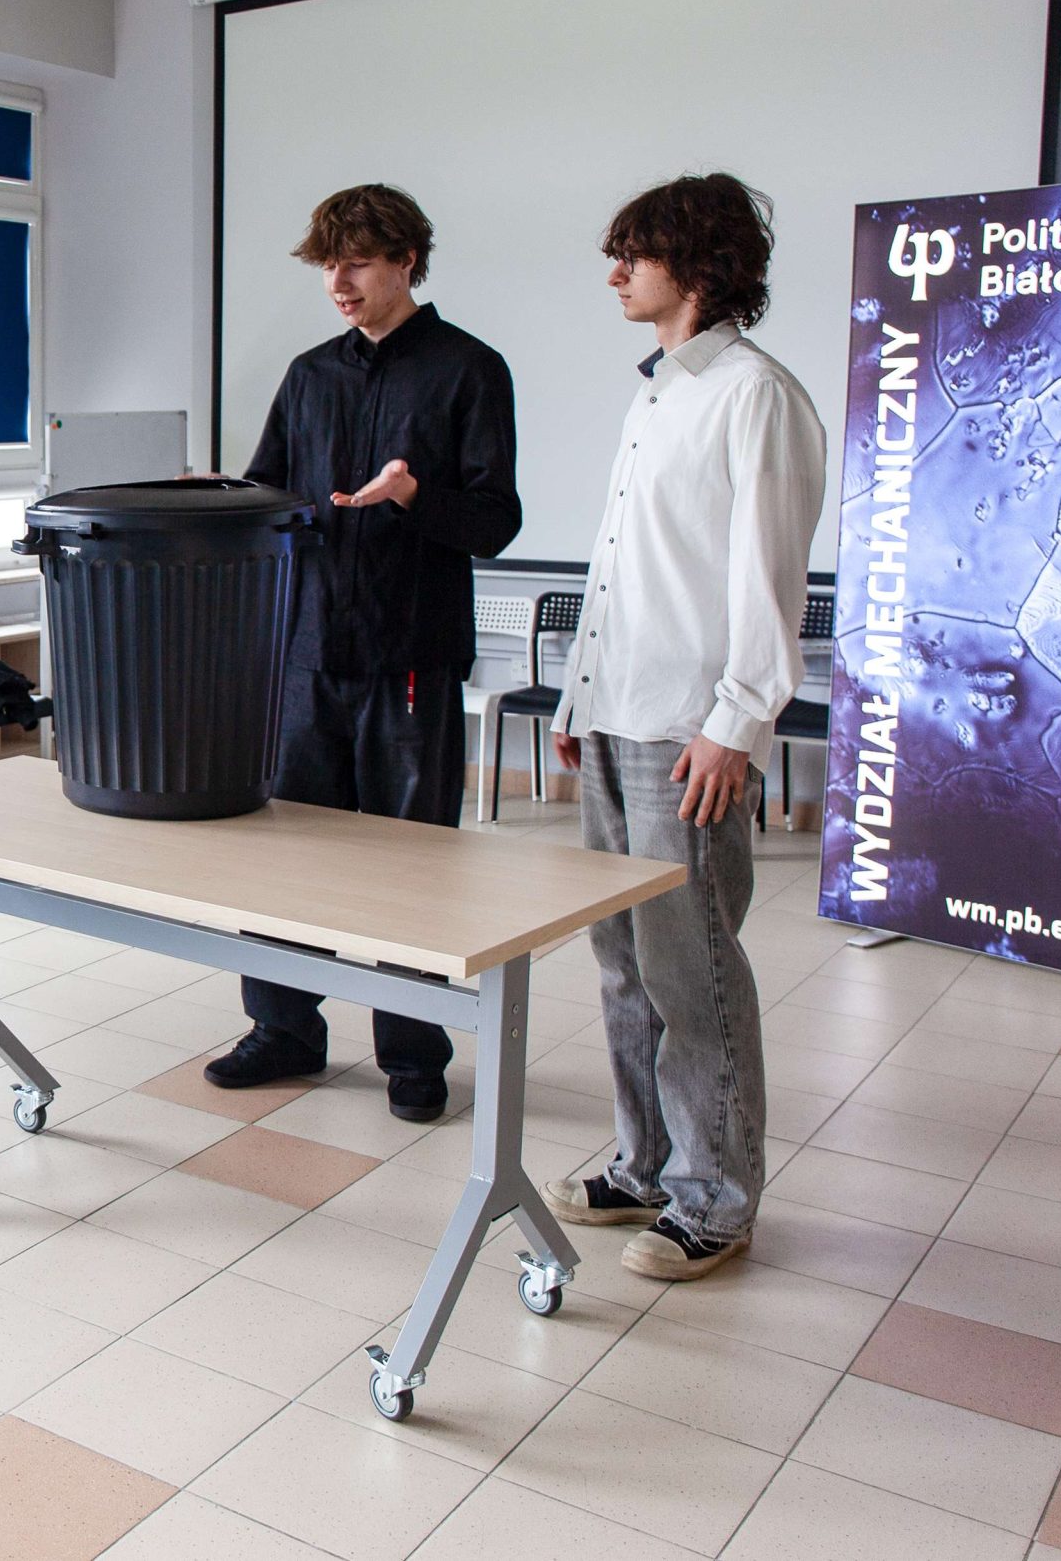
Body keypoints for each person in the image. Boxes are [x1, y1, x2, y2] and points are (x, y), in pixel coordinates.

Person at [544, 174, 824, 1279]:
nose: (615, 274)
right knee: (621, 961)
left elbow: (767, 577)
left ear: (698, 264)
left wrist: (736, 723)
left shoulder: (754, 395)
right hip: (617, 714)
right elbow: (625, 562)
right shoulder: (656, 393)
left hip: (686, 731)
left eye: (635, 254)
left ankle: (715, 1199)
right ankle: (644, 1163)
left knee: (691, 965)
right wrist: (578, 693)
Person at [204, 185, 521, 1119]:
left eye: (358, 263)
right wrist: (221, 496)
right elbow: (270, 493)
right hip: (306, 656)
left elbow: (495, 521)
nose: (339, 282)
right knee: (288, 856)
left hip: (411, 658)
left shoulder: (470, 370)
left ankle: (412, 1053)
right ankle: (284, 1030)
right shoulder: (309, 376)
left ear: (407, 261)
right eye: (328, 266)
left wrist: (413, 494)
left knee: (408, 869)